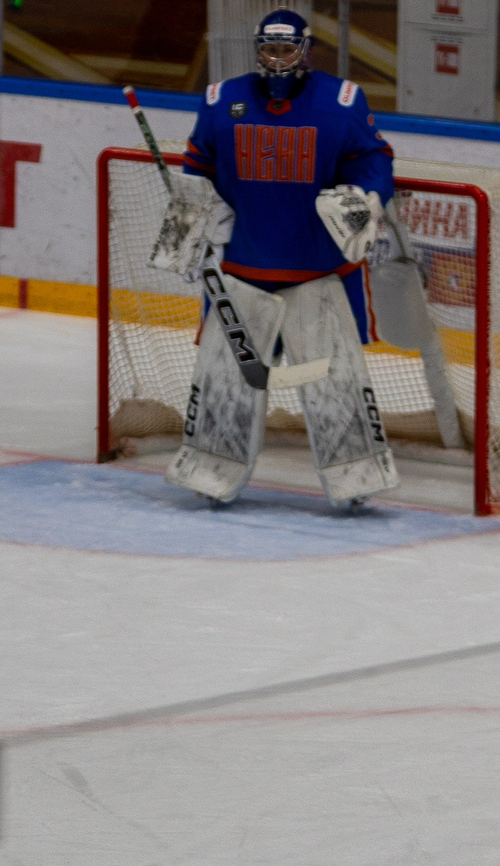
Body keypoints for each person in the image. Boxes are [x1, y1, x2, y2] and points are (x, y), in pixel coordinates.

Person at [153, 9, 402, 508]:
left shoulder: (341, 101)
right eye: (269, 48)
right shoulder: (222, 100)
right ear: (257, 48)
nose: (277, 58)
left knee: (334, 384)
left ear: (306, 51)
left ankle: (355, 478)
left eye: (287, 49)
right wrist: (198, 213)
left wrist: (367, 198)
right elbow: (196, 169)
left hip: (319, 274)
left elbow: (375, 161)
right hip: (243, 275)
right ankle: (211, 470)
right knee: (227, 383)